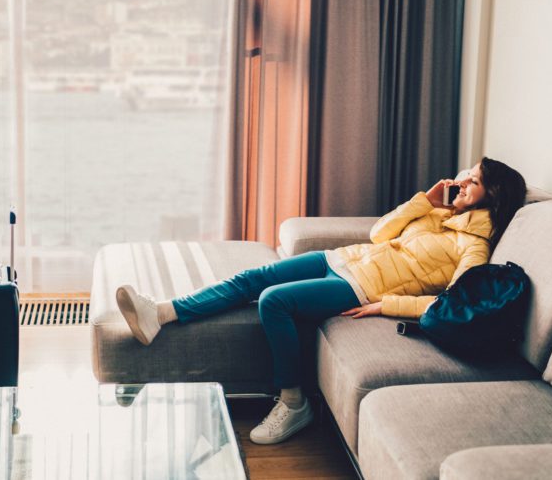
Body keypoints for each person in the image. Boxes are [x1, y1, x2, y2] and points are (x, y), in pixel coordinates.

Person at [115, 157, 527, 445]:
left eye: (472, 180)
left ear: (491, 195)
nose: (461, 181)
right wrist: (425, 201)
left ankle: (293, 402)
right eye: (466, 175)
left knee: (273, 301)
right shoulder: (438, 214)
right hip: (342, 258)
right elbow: (380, 233)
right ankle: (161, 313)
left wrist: (389, 305)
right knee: (252, 278)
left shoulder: (473, 247)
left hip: (359, 286)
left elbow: (452, 302)